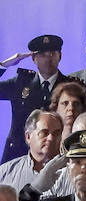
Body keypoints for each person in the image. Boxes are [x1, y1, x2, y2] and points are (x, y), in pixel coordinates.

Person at [0, 34, 72, 162]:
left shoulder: (71, 87)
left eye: (52, 54)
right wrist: (4, 65)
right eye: (43, 54)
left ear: (60, 56)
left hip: (54, 158)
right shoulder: (20, 82)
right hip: (17, 155)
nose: (48, 59)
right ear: (34, 58)